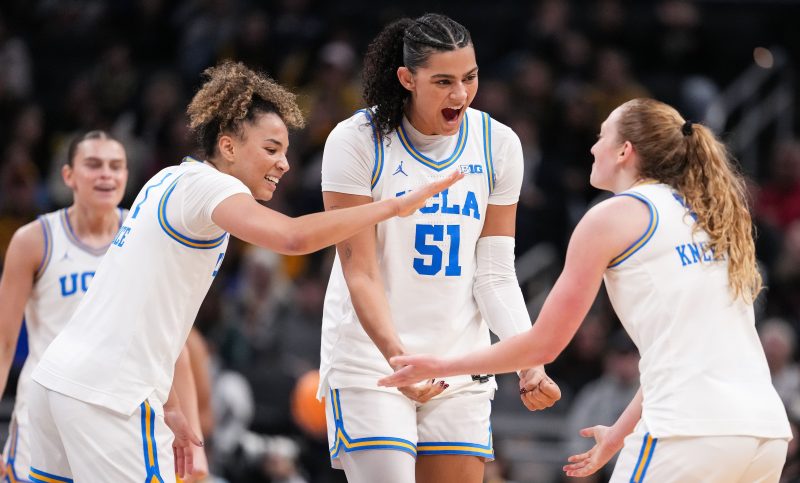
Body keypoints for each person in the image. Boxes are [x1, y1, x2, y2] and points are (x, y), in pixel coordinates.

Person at [25, 61, 462, 483]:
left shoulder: (165, 180)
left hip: (56, 381)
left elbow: (151, 315)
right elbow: (293, 237)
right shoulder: (211, 186)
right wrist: (393, 206)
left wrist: (171, 404)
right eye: (271, 149)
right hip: (110, 396)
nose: (284, 163)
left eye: (285, 152)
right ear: (229, 147)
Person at [380, 98, 793, 482]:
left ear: (624, 151)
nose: (593, 148)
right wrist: (618, 434)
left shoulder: (611, 217)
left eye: (601, 136)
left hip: (687, 432)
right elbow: (686, 353)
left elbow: (543, 345)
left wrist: (438, 365)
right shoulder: (707, 217)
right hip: (764, 434)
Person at [318, 14, 560, 483]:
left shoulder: (498, 144)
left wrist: (529, 363)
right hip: (373, 361)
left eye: (470, 78)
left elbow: (495, 274)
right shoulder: (357, 140)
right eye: (444, 82)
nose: (461, 95)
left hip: (459, 363)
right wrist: (400, 361)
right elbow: (360, 272)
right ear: (407, 79)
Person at [0, 131, 212, 482]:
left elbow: (174, 346)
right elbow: (5, 341)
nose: (106, 175)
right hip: (45, 413)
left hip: (116, 416)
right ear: (68, 175)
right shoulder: (34, 240)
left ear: (127, 175)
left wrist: (196, 443)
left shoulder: (149, 232)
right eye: (94, 165)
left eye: (116, 166)